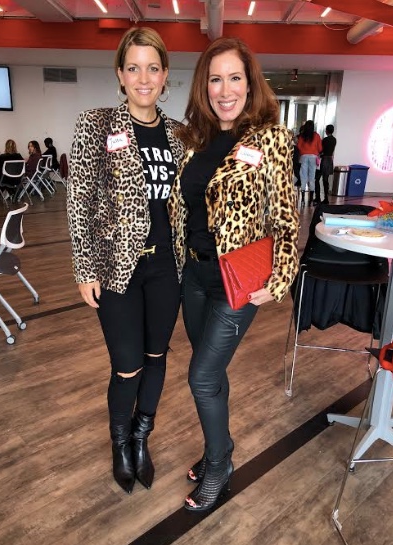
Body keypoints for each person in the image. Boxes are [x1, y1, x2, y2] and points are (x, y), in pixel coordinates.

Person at [167, 37, 299, 512]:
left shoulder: (270, 140)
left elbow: (286, 216)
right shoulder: (194, 140)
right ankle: (217, 449)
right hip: (195, 278)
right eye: (215, 79)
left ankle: (220, 466)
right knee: (213, 370)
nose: (225, 89)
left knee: (201, 376)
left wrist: (280, 277)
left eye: (235, 78)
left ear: (251, 83)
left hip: (236, 283)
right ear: (205, 87)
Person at [67, 27, 184, 495]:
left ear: (164, 75)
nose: (143, 77)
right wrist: (84, 267)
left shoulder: (178, 134)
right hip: (118, 268)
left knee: (157, 359)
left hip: (166, 269)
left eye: (152, 68)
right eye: (133, 67)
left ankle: (141, 438)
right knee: (128, 365)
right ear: (120, 74)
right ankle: (119, 441)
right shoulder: (95, 124)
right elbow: (80, 199)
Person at [297, 119, 322, 207]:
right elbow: (320, 148)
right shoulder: (316, 135)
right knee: (312, 177)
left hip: (304, 157)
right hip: (313, 157)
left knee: (303, 177)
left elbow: (299, 146)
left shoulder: (302, 136)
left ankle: (303, 199)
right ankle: (310, 200)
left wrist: (304, 151)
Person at [313, 124, 337, 205]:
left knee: (317, 179)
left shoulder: (325, 140)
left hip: (324, 160)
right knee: (325, 180)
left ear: (326, 131)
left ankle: (318, 197)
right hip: (330, 160)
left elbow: (321, 150)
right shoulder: (334, 140)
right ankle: (326, 198)